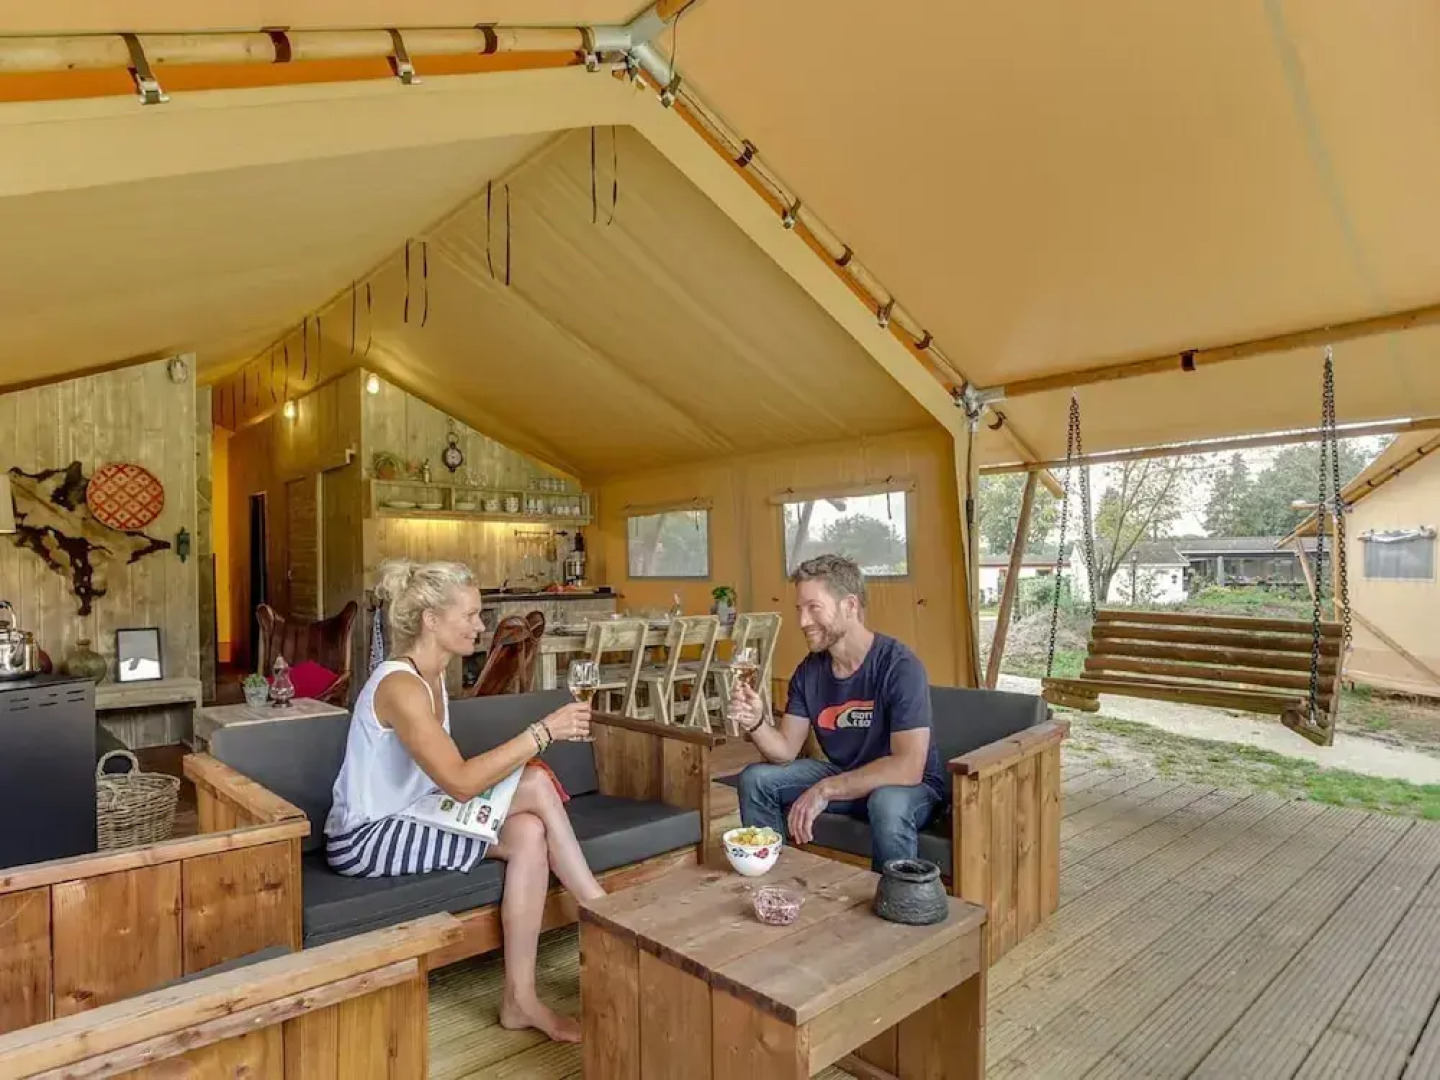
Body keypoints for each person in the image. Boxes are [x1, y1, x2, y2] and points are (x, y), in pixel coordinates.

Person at [324, 559, 601, 1044]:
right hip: (367, 837)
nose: (481, 624)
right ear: (431, 620)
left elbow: (447, 781)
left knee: (529, 833)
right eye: (471, 614)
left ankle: (520, 999)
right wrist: (544, 732)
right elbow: (459, 782)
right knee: (533, 784)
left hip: (414, 814)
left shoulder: (434, 678)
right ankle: (602, 913)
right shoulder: (400, 686)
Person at [730, 553, 946, 871]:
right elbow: (785, 751)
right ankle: (774, 884)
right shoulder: (809, 672)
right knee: (756, 779)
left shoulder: (899, 666)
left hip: (912, 787)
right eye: (799, 610)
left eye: (814, 607)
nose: (803, 621)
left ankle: (897, 903)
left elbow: (908, 767)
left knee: (886, 801)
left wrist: (825, 789)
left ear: (849, 606)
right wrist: (758, 721)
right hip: (848, 775)